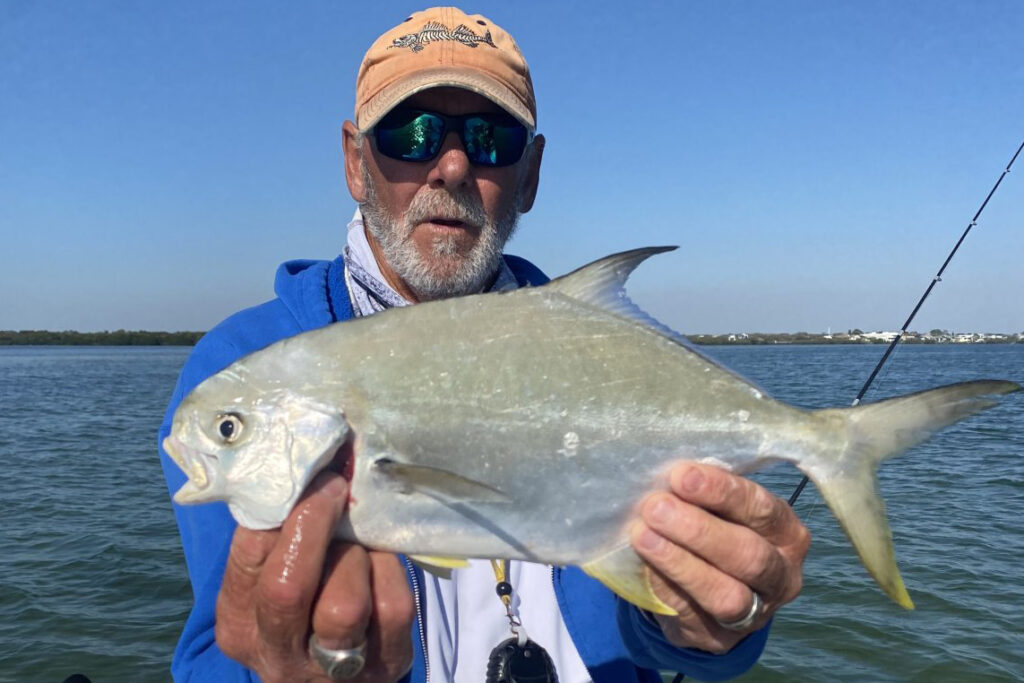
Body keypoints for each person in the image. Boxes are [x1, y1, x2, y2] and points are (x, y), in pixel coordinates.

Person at [158, 7, 810, 682]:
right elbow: (216, 651)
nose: (451, 165)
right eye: (411, 134)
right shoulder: (243, 362)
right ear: (355, 162)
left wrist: (708, 623)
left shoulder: (594, 346)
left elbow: (669, 626)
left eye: (490, 138)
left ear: (530, 174)